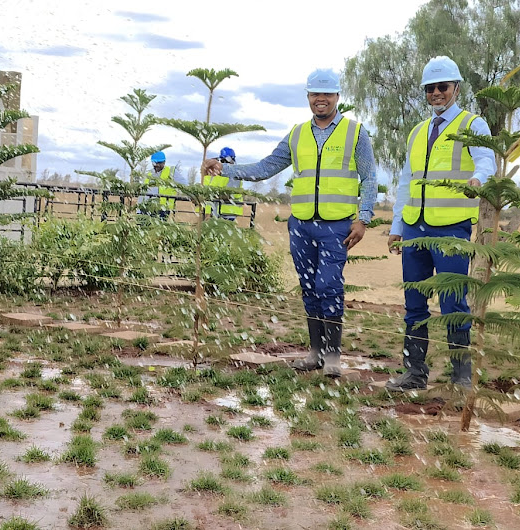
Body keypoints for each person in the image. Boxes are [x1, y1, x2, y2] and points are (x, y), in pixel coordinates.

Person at [202, 68, 377, 378]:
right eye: (315, 94)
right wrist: (225, 169)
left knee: (328, 285)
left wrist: (363, 219)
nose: (320, 99)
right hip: (301, 225)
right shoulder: (297, 134)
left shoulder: (355, 132)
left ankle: (333, 355)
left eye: (327, 94)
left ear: (337, 97)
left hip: (337, 226)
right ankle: (315, 353)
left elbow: (369, 176)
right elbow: (266, 167)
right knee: (309, 287)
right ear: (308, 97)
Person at [385, 56, 497, 392]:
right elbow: (407, 181)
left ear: (456, 89)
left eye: (442, 87)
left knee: (453, 303)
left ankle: (461, 377)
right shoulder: (418, 132)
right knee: (414, 302)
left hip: (451, 229)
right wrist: (396, 225)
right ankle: (414, 373)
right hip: (414, 228)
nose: (436, 93)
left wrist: (478, 180)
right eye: (430, 88)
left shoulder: (473, 124)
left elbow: (486, 160)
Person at [203, 147, 244, 222]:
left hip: (228, 212)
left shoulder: (234, 173)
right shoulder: (217, 173)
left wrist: (212, 196)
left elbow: (229, 194)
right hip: (216, 211)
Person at [142, 151, 182, 220]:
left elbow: (185, 186)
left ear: (164, 162)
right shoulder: (149, 174)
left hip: (163, 209)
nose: (157, 165)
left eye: (159, 163)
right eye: (154, 163)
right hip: (147, 207)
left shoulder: (172, 172)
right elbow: (143, 192)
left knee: (158, 229)